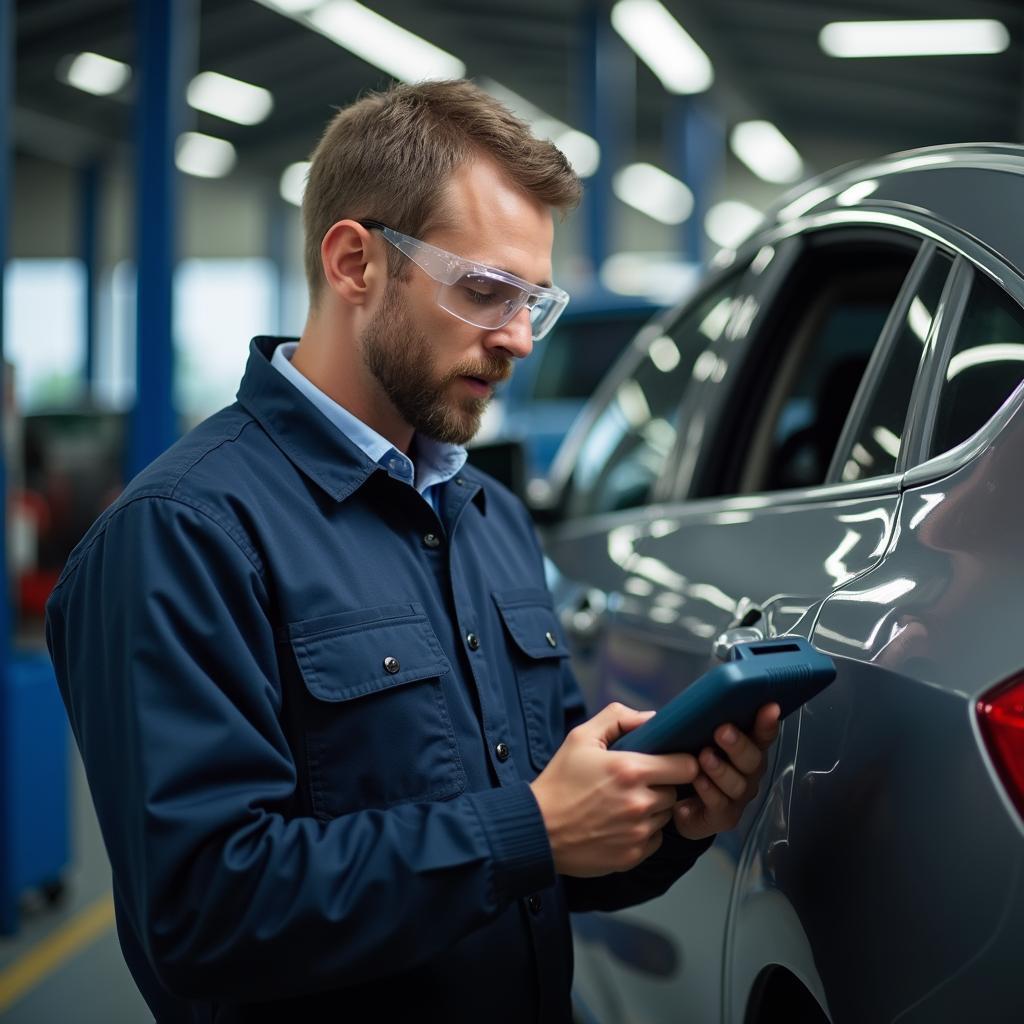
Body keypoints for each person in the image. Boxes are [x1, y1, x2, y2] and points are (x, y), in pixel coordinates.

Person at [45, 80, 780, 1023]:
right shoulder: (182, 534)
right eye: (484, 291)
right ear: (356, 262)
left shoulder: (491, 519)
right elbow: (199, 918)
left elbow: (541, 868)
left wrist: (661, 824)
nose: (518, 339)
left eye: (535, 302)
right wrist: (532, 828)